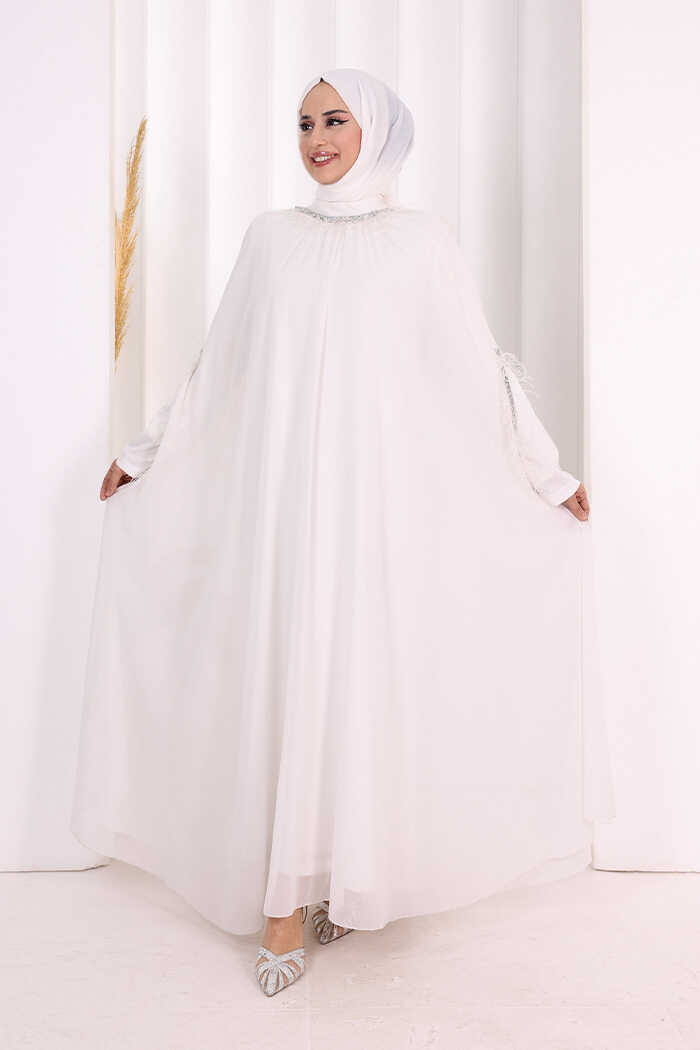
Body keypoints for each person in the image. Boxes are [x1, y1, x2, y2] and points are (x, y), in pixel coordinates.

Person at [71, 68, 615, 998]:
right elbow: (221, 369)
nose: (317, 139)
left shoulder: (422, 242)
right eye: (303, 123)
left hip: (378, 509)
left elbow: (475, 371)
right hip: (285, 507)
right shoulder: (269, 239)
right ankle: (283, 901)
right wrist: (145, 454)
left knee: (361, 679)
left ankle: (342, 874)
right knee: (291, 672)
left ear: (377, 131)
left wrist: (546, 473)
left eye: (335, 120)